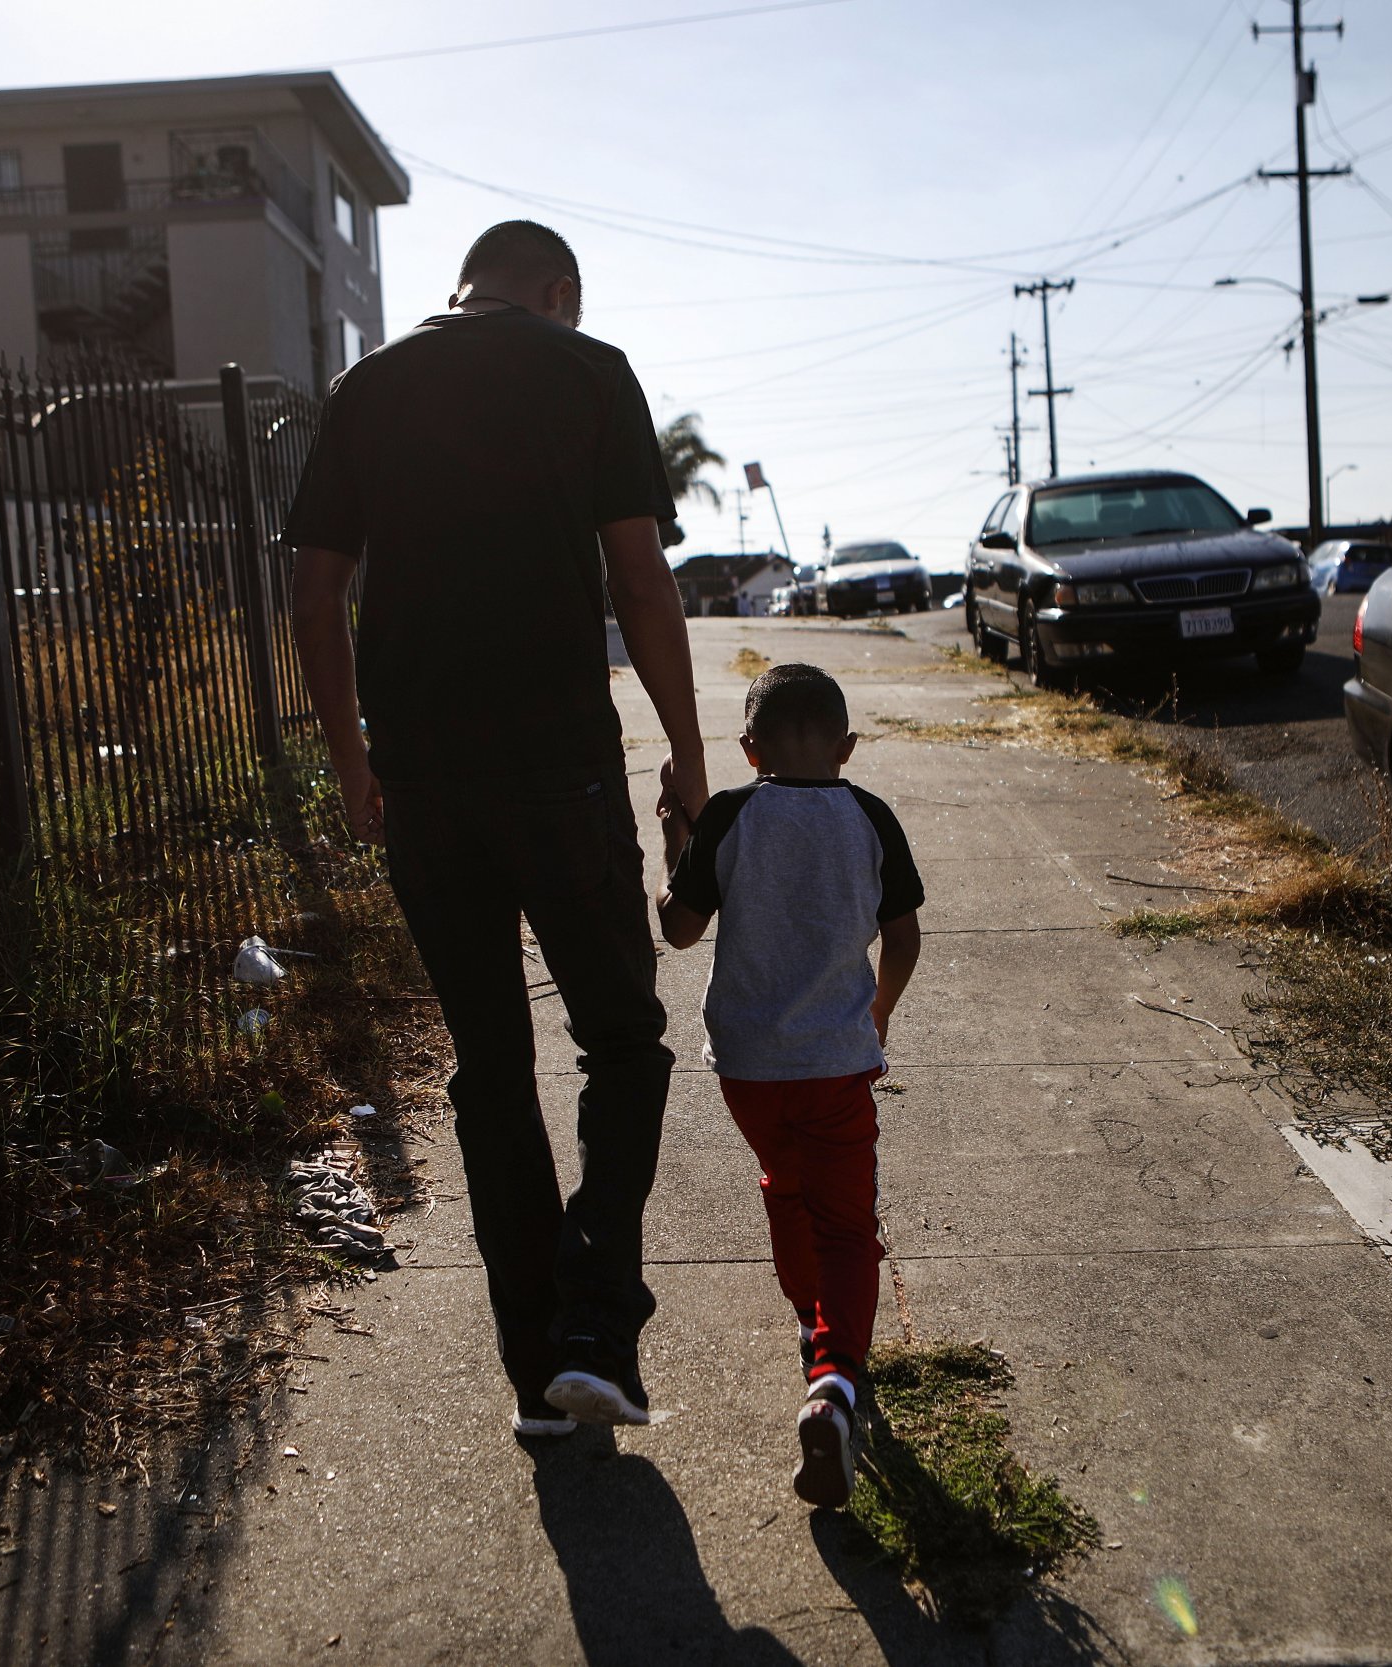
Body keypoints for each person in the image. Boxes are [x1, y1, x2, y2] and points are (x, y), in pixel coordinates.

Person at [285, 220, 707, 1437]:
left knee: (491, 1068)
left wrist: (351, 760)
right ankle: (592, 1324)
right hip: (560, 771)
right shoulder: (587, 369)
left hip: (422, 781)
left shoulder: (365, 385)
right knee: (622, 1039)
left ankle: (536, 1374)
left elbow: (315, 595)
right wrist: (681, 746)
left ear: (460, 283)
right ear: (556, 291)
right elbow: (639, 577)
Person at [655, 665, 923, 1508]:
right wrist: (877, 1011)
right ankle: (835, 1379)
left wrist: (677, 840)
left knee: (785, 1185)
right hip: (837, 1062)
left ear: (748, 748)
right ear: (847, 748)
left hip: (748, 1069)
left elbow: (680, 927)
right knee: (847, 1227)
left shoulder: (732, 813)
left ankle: (813, 1324)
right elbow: (904, 936)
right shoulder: (871, 816)